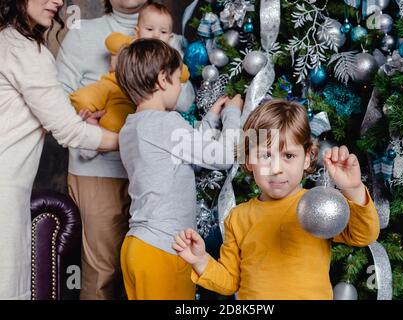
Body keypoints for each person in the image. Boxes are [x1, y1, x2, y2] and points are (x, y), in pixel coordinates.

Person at [173, 100, 380, 300]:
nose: (276, 169)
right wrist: (201, 261)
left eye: (288, 156)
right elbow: (230, 282)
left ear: (307, 157)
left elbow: (363, 235)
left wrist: (353, 189)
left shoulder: (317, 204)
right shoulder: (238, 218)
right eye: (265, 156)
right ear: (249, 160)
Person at [0, 0, 119, 300]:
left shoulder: (5, 40)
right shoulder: (24, 50)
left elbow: (32, 116)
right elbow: (68, 131)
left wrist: (76, 120)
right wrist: (131, 140)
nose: (58, 1)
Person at [115, 38, 243, 300]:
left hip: (136, 247)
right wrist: (232, 115)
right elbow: (222, 156)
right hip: (164, 247)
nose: (182, 88)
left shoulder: (131, 127)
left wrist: (210, 119)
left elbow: (184, 153)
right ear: (163, 80)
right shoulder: (166, 123)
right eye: (178, 80)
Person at [56, 0, 148, 300]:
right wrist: (87, 126)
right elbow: (56, 107)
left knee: (147, 274)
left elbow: (185, 101)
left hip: (153, 175)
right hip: (97, 171)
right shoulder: (83, 33)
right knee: (102, 275)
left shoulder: (169, 35)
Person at [69, 1, 194, 137]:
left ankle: (97, 136)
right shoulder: (128, 43)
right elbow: (111, 41)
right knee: (83, 98)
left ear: (169, 37)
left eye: (163, 32)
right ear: (137, 31)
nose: (156, 35)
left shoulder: (173, 51)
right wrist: (128, 50)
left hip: (130, 108)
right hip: (111, 86)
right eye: (150, 29)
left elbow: (183, 81)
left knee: (116, 120)